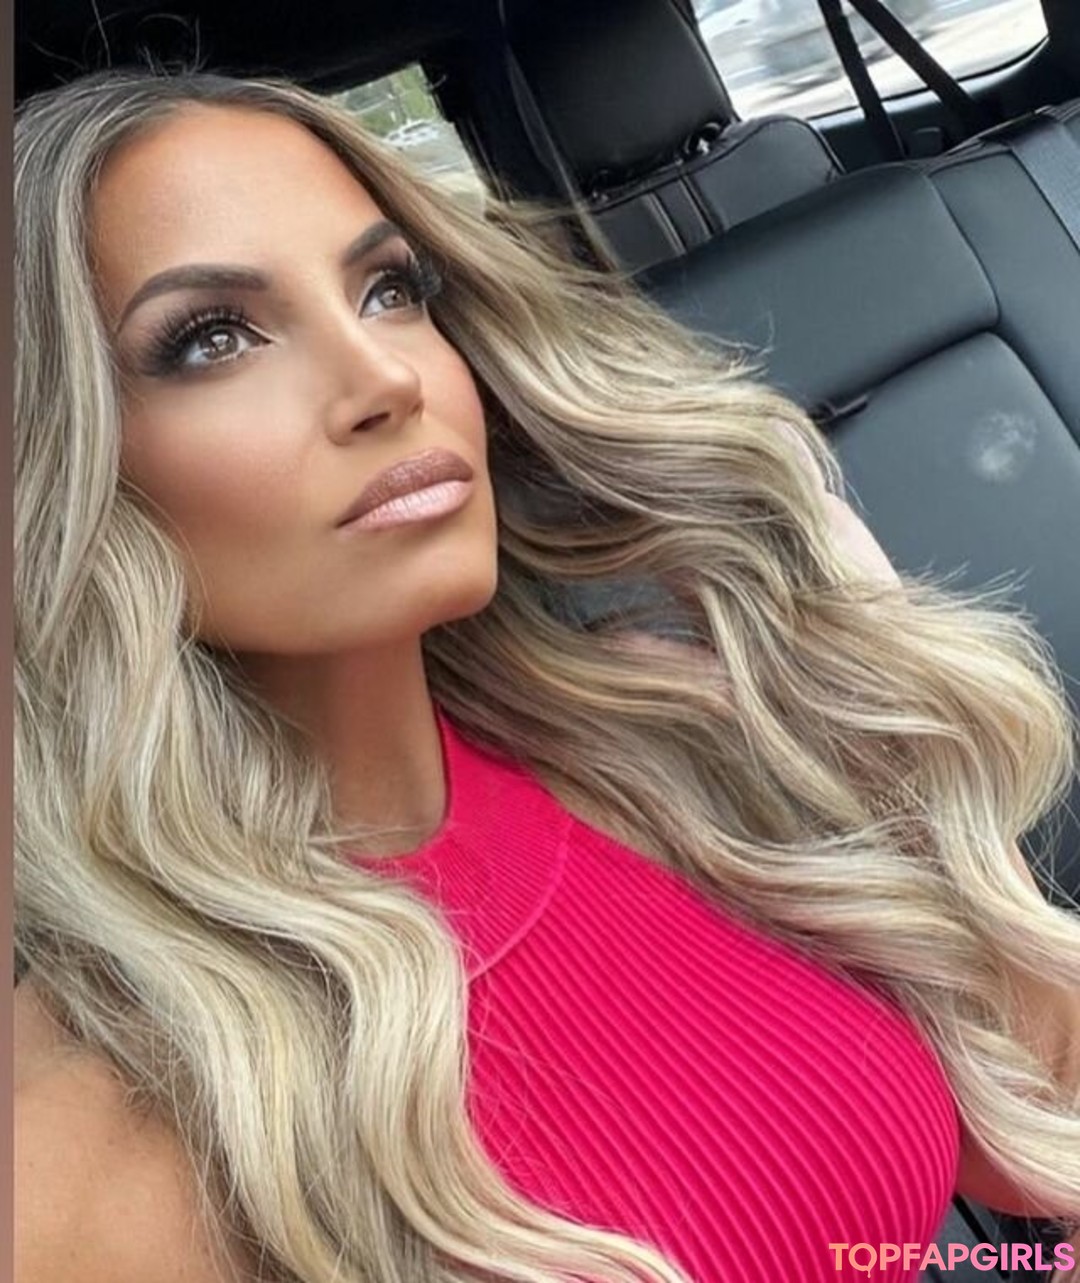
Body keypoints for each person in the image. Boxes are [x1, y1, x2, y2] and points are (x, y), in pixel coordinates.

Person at [13, 67, 1080, 1283]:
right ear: (51, 470)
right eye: (211, 338)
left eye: (389, 289)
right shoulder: (71, 1155)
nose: (385, 378)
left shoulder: (674, 733)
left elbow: (1036, 1130)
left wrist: (845, 647)